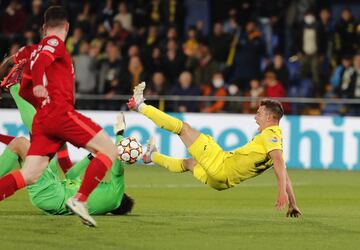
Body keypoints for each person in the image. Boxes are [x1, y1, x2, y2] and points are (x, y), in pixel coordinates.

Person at [0, 6, 118, 227]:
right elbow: (43, 60)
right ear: (67, 27)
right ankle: (80, 199)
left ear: (44, 27)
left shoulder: (30, 51)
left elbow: (22, 86)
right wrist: (38, 86)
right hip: (60, 113)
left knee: (30, 174)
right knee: (109, 150)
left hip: (44, 120)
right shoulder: (53, 44)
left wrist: (35, 95)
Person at [128, 82, 301, 217]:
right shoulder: (275, 142)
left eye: (260, 113)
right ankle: (152, 156)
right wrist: (293, 204)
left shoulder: (271, 133)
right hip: (221, 183)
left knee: (183, 128)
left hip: (221, 164)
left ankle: (140, 106)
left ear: (270, 118)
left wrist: (281, 193)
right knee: (189, 163)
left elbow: (278, 162)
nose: (256, 116)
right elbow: (284, 173)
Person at [0, 113, 134, 216]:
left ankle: (14, 87)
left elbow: (117, 168)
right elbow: (71, 175)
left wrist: (119, 135)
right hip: (53, 194)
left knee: (22, 143)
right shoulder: (90, 191)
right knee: (44, 145)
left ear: (123, 195)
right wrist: (92, 156)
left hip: (53, 193)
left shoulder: (116, 196)